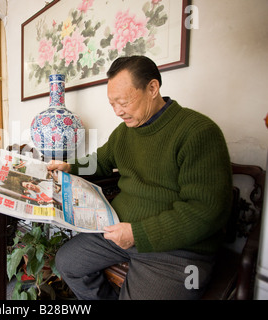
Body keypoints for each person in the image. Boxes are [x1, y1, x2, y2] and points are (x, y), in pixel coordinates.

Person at [48, 56, 233, 300]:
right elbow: (101, 162)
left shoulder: (197, 131)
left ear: (152, 88)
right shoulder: (125, 132)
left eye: (123, 102)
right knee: (67, 263)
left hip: (176, 250)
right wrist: (69, 167)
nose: (117, 112)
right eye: (112, 104)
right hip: (118, 231)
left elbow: (206, 211)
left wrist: (139, 234)